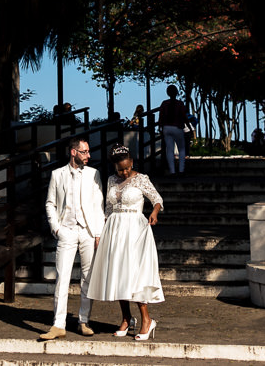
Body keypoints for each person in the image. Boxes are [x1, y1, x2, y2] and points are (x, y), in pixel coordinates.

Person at [86, 143, 164, 340]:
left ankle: (147, 319)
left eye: (128, 167)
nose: (125, 172)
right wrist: (101, 233)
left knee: (133, 275)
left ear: (131, 163)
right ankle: (126, 318)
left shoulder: (141, 179)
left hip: (134, 230)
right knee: (118, 275)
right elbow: (108, 209)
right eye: (121, 169)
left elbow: (157, 199)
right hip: (114, 230)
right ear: (114, 166)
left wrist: (154, 212)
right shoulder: (112, 180)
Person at [40, 138, 104, 340]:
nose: (88, 155)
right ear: (73, 152)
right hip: (66, 230)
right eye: (84, 152)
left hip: (87, 231)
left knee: (87, 278)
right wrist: (56, 228)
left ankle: (83, 321)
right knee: (62, 277)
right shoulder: (57, 174)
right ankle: (58, 325)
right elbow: (50, 203)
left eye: (88, 151)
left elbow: (98, 205)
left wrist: (98, 233)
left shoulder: (94, 174)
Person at [156, 85, 188, 176]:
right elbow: (184, 116)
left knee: (169, 150)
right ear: (176, 92)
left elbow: (161, 116)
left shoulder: (164, 103)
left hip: (166, 127)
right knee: (181, 149)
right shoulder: (180, 104)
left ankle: (172, 171)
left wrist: (160, 127)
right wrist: (189, 126)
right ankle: (181, 170)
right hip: (177, 127)